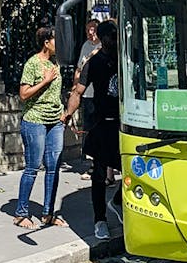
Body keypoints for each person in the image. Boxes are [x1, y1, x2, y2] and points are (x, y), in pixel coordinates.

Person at [64, 20, 122, 241]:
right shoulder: (94, 63)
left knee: (133, 170)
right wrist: (69, 113)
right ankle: (100, 220)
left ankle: (117, 201)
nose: (115, 40)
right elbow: (78, 92)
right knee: (98, 174)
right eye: (112, 36)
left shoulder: (125, 58)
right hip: (101, 123)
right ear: (104, 38)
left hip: (123, 123)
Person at [13, 26, 66, 229]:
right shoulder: (33, 64)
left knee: (53, 168)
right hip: (35, 121)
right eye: (56, 40)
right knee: (33, 167)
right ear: (46, 43)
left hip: (55, 121)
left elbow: (56, 92)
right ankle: (21, 213)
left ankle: (48, 213)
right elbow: (24, 94)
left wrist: (63, 112)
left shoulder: (56, 63)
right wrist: (45, 81)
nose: (59, 45)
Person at [73, 18, 101, 180]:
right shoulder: (85, 46)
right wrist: (75, 89)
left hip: (101, 94)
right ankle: (93, 165)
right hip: (88, 93)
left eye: (93, 29)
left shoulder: (103, 46)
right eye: (88, 30)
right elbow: (79, 69)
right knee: (90, 130)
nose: (90, 33)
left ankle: (102, 167)